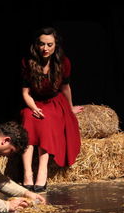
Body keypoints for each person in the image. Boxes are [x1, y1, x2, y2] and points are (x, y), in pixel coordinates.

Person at [20, 26, 83, 193]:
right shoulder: (28, 62)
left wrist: (69, 108)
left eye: (49, 44)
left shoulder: (63, 62)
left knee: (46, 122)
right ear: (36, 45)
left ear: (56, 45)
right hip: (33, 102)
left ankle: (42, 171)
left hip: (54, 103)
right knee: (27, 120)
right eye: (41, 44)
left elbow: (66, 88)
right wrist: (33, 108)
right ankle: (27, 173)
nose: (45, 48)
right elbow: (25, 93)